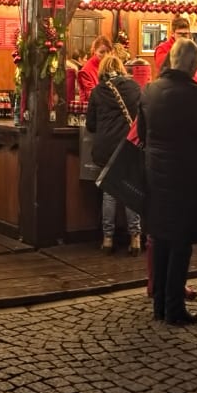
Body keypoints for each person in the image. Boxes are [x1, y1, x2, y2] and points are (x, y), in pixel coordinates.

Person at [140, 38, 197, 326]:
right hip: (183, 175)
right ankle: (174, 309)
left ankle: (160, 305)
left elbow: (141, 130)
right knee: (181, 243)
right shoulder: (192, 93)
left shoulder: (150, 89)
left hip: (155, 174)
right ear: (192, 65)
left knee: (161, 239)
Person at [84, 51, 143, 253]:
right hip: (128, 145)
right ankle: (135, 239)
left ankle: (107, 239)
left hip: (105, 148)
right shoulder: (135, 87)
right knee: (129, 192)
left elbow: (90, 124)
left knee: (109, 193)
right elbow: (141, 118)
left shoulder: (98, 91)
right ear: (121, 68)